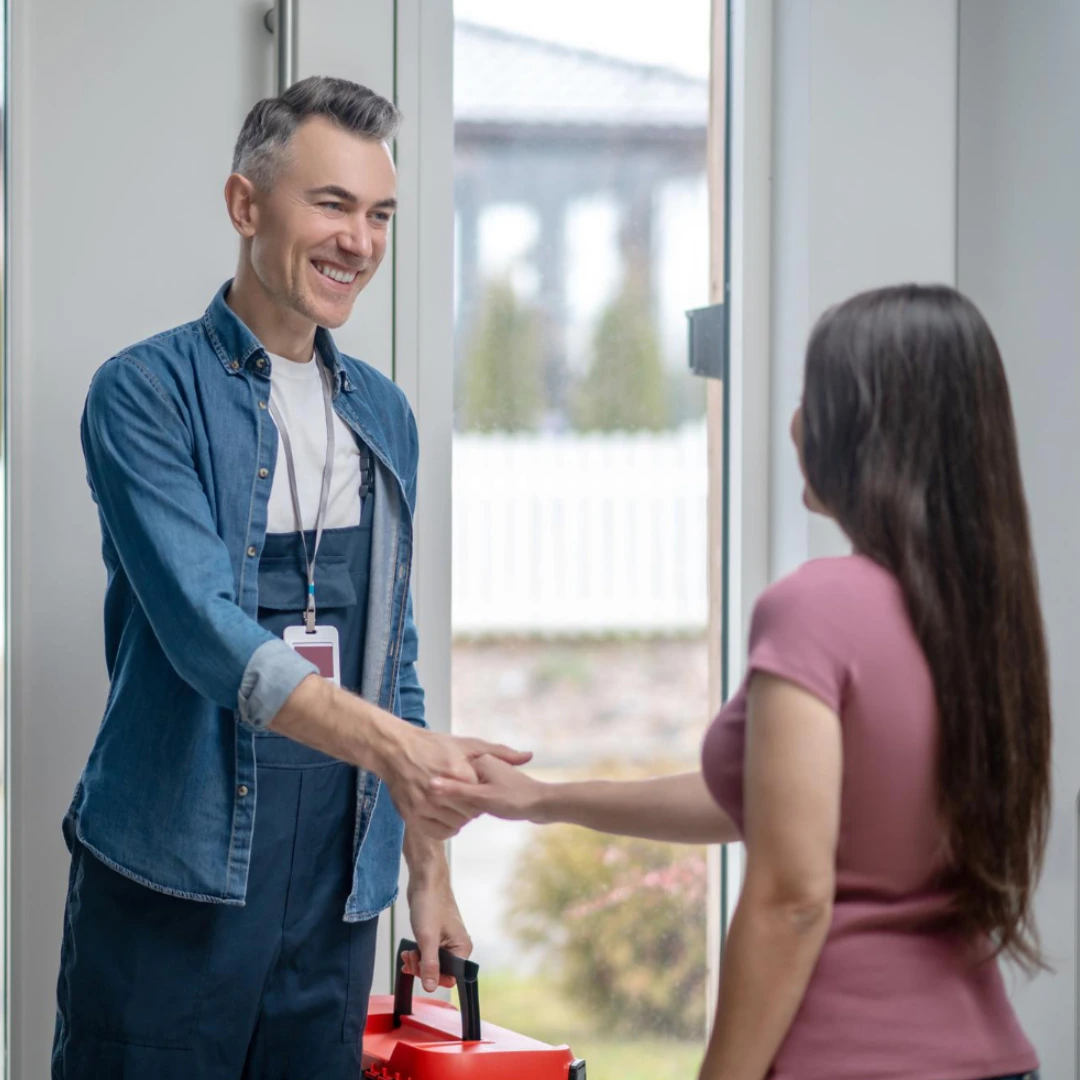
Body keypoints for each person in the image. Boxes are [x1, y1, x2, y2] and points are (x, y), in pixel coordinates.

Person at [430, 285, 1048, 1080]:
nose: (795, 424)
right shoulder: (985, 624)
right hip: (995, 1057)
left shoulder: (817, 607)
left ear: (866, 429)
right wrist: (542, 799)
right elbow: (762, 801)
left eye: (812, 399)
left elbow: (792, 895)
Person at [51, 75, 527, 1080]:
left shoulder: (383, 415)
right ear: (244, 205)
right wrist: (404, 747)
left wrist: (423, 870)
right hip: (170, 885)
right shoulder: (145, 394)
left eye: (379, 214)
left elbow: (387, 653)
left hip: (329, 898)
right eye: (332, 204)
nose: (359, 240)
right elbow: (202, 633)